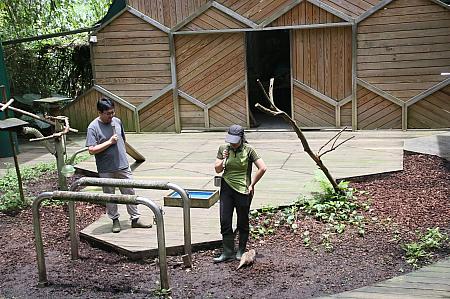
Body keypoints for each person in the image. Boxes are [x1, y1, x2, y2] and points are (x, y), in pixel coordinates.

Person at [86, 98, 152, 233]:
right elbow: (91, 150)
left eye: (112, 112)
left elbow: (123, 140)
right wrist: (109, 142)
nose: (111, 116)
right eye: (108, 113)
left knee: (129, 191)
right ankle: (115, 220)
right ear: (100, 112)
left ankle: (135, 218)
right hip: (106, 168)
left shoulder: (117, 122)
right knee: (110, 195)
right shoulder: (93, 127)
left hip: (122, 165)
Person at [213, 124, 267, 263]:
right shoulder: (223, 149)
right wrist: (224, 159)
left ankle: (241, 250)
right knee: (225, 220)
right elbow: (217, 170)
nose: (232, 143)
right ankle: (227, 252)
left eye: (235, 140)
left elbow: (262, 168)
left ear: (241, 138)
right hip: (226, 188)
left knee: (242, 221)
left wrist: (252, 184)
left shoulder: (249, 150)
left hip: (243, 190)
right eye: (230, 139)